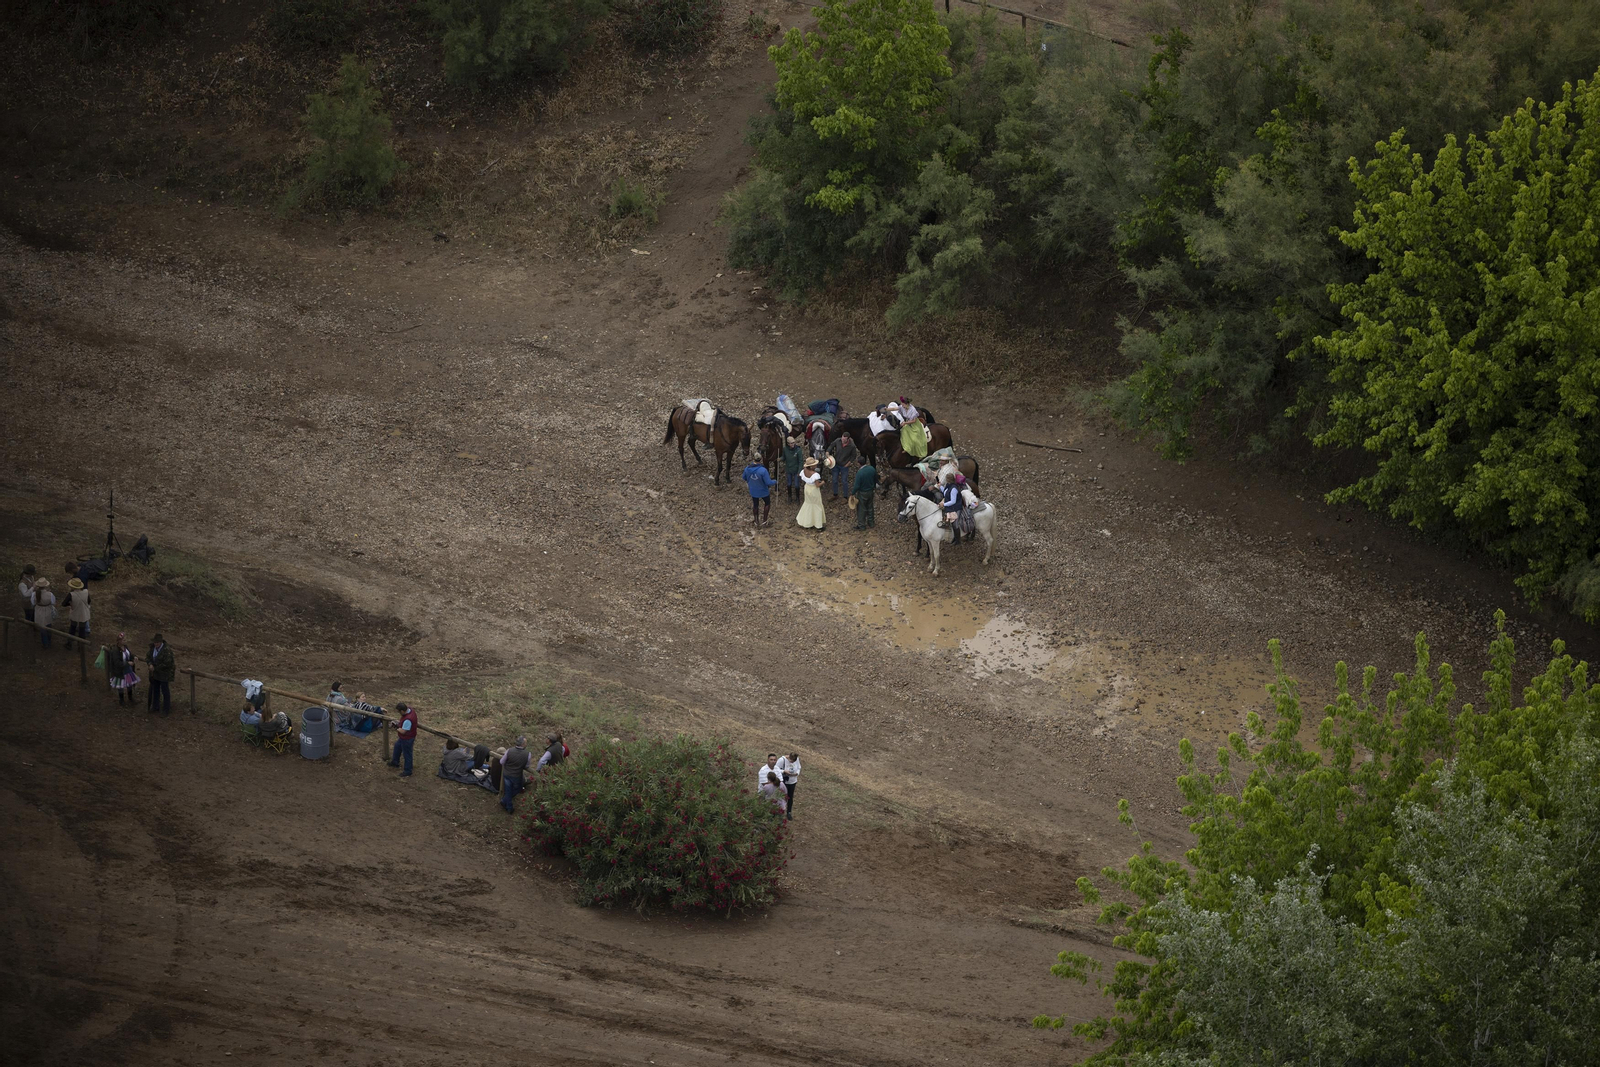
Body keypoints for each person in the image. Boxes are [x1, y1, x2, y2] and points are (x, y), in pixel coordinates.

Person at [500, 735, 533, 813]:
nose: (526, 744)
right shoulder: (528, 754)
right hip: (517, 775)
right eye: (526, 743)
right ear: (523, 744)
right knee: (518, 789)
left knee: (508, 790)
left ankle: (505, 802)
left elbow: (501, 762)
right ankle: (509, 807)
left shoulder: (509, 750)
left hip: (507, 774)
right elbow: (527, 766)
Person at [742, 453, 775, 526]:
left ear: (753, 459)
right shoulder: (763, 470)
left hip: (753, 490)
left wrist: (750, 481)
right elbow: (768, 482)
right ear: (761, 459)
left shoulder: (747, 469)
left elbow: (744, 477)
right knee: (767, 503)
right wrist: (775, 481)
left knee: (755, 505)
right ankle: (764, 521)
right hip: (763, 491)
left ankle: (756, 521)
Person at [105, 632, 138, 706]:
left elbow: (130, 654)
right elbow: (117, 663)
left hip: (128, 669)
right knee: (121, 686)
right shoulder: (115, 651)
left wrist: (134, 657)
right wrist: (127, 663)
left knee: (129, 684)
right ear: (119, 641)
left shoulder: (126, 647)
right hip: (120, 671)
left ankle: (130, 698)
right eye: (123, 640)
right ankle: (121, 700)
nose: (125, 641)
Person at [146, 634, 174, 713]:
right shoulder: (152, 648)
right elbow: (148, 657)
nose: (156, 644)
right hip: (155, 674)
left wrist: (155, 668)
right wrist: (150, 664)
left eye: (157, 642)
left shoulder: (167, 650)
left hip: (164, 674)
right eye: (155, 642)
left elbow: (167, 664)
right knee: (156, 690)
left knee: (165, 691)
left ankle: (166, 709)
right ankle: (155, 706)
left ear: (161, 642)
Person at [796, 457, 826, 530]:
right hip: (813, 490)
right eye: (815, 465)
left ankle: (807, 523)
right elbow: (817, 485)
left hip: (807, 488)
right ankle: (818, 525)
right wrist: (823, 482)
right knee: (817, 506)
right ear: (811, 466)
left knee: (808, 504)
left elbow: (799, 476)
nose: (816, 466)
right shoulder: (815, 475)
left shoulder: (804, 471)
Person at [388, 702, 418, 776]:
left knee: (407, 754)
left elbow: (403, 731)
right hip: (404, 738)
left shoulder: (408, 720)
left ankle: (408, 771)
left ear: (402, 711)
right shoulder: (410, 710)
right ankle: (395, 762)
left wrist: (396, 726)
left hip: (407, 738)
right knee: (397, 747)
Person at [826, 433, 857, 500]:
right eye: (842, 438)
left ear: (848, 439)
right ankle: (835, 494)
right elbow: (831, 446)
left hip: (844, 466)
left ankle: (845, 497)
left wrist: (848, 463)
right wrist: (828, 452)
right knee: (834, 480)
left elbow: (854, 456)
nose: (842, 440)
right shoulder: (838, 440)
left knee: (844, 481)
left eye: (844, 440)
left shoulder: (852, 446)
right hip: (835, 464)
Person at [31, 579, 56, 649]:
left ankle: (45, 643)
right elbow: (53, 602)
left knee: (42, 627)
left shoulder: (34, 594)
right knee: (49, 625)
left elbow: (32, 603)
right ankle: (49, 641)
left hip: (39, 610)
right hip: (48, 609)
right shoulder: (50, 594)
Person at [776, 752, 801, 821]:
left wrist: (797, 773)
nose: (792, 762)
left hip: (793, 781)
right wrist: (784, 771)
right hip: (784, 782)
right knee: (782, 797)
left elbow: (799, 767)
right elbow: (776, 769)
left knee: (790, 797)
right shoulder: (782, 760)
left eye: (794, 761)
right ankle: (779, 811)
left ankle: (789, 812)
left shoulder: (797, 759)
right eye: (791, 761)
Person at [853, 460, 878, 529]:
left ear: (859, 463)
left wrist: (853, 493)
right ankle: (871, 523)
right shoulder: (872, 469)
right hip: (870, 491)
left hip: (862, 493)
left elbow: (857, 485)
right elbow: (876, 479)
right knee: (870, 507)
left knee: (861, 509)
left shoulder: (860, 473)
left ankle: (861, 525)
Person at [781, 435, 805, 502]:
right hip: (788, 469)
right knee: (789, 484)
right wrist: (780, 459)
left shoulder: (798, 450)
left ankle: (797, 497)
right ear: (788, 444)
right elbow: (784, 457)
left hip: (796, 470)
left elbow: (801, 461)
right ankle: (789, 496)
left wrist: (799, 471)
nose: (792, 444)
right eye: (791, 443)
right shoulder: (785, 449)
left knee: (797, 485)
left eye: (793, 443)